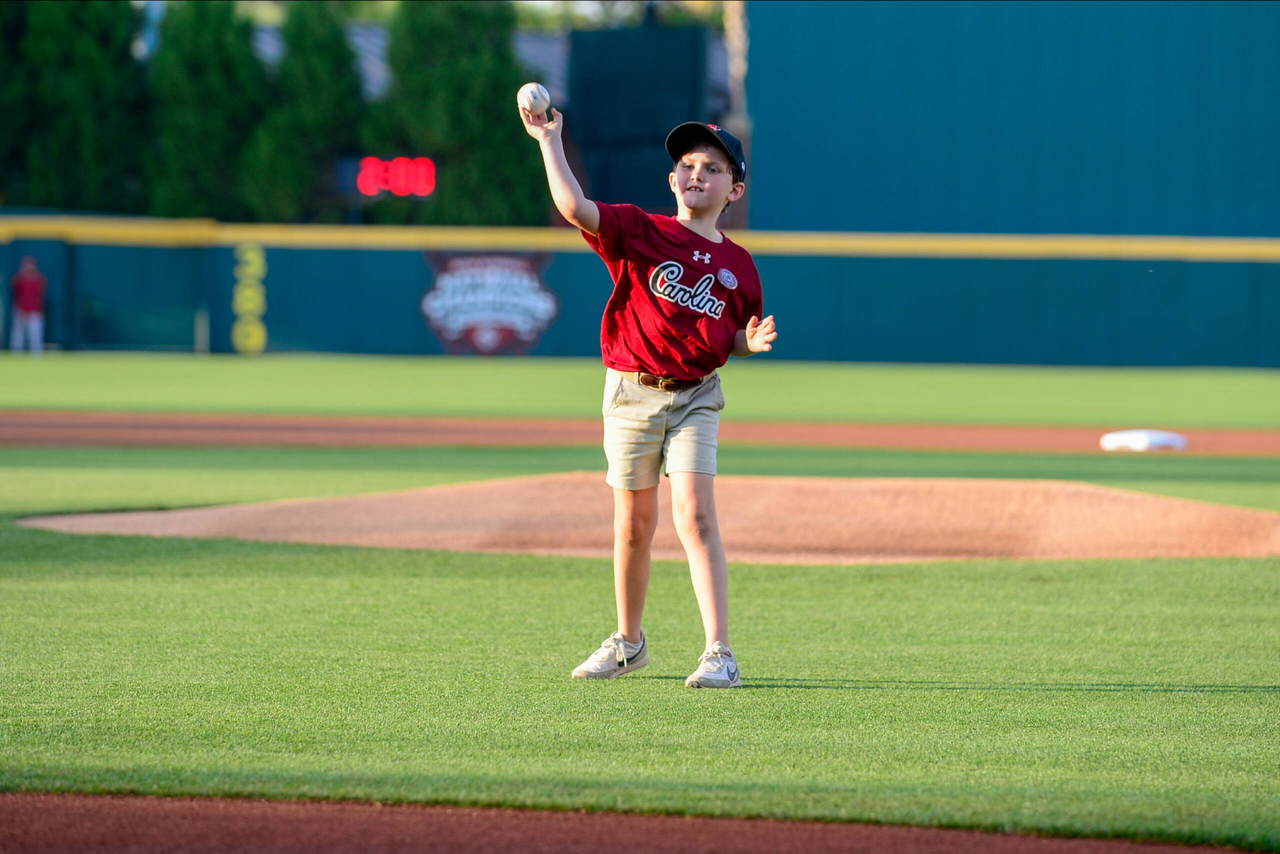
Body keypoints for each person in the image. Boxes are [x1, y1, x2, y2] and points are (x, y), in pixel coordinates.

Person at [521, 106, 778, 689]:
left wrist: (745, 341)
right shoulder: (640, 230)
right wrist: (550, 140)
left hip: (695, 397)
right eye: (686, 165)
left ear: (733, 189)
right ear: (671, 180)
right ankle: (628, 642)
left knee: (695, 513)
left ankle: (719, 652)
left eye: (712, 168)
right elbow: (573, 207)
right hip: (630, 392)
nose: (696, 174)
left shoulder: (739, 266)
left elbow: (725, 337)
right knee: (633, 525)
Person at [9, 256, 47, 353]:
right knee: (18, 335)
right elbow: (15, 294)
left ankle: (36, 355)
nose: (28, 267)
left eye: (30, 265)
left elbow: (41, 296)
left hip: (35, 311)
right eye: (26, 265)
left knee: (35, 335)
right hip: (21, 310)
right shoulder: (18, 279)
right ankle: (16, 355)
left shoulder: (39, 279)